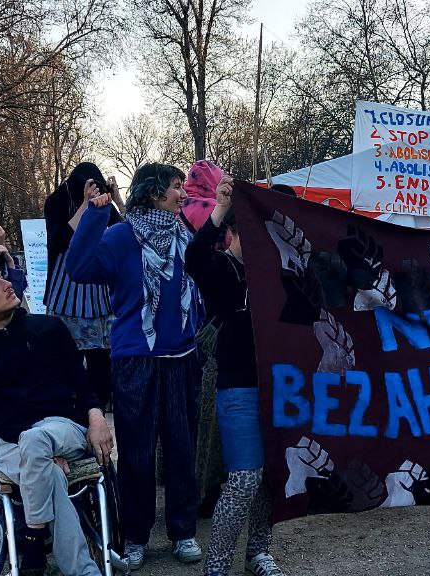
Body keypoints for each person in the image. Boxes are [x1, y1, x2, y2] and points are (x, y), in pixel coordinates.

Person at [64, 162, 205, 569]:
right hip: (134, 358)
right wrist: (94, 214)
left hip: (181, 357)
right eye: (177, 186)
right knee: (138, 452)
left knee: (182, 448)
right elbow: (78, 268)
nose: (183, 193)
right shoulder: (121, 234)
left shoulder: (185, 233)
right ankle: (137, 535)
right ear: (155, 192)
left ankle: (183, 531)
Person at [0, 258, 116, 576]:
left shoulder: (48, 329)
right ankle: (85, 571)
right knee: (44, 467)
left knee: (37, 439)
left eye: (2, 278)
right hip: (12, 441)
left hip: (61, 429)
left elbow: (82, 385)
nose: (7, 284)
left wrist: (96, 418)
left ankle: (34, 542)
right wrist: (41, 457)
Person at [184, 175, 285, 576]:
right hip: (238, 386)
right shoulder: (220, 268)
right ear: (235, 233)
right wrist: (223, 206)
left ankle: (258, 553)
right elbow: (193, 256)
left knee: (270, 476)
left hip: (282, 387)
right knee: (245, 477)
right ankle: (218, 565)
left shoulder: (280, 271)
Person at [44, 163, 122, 409]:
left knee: (102, 362)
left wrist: (115, 199)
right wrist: (84, 206)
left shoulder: (104, 204)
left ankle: (99, 405)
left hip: (99, 292)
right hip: (66, 289)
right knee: (67, 360)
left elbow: (122, 229)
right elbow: (60, 239)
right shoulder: (57, 201)